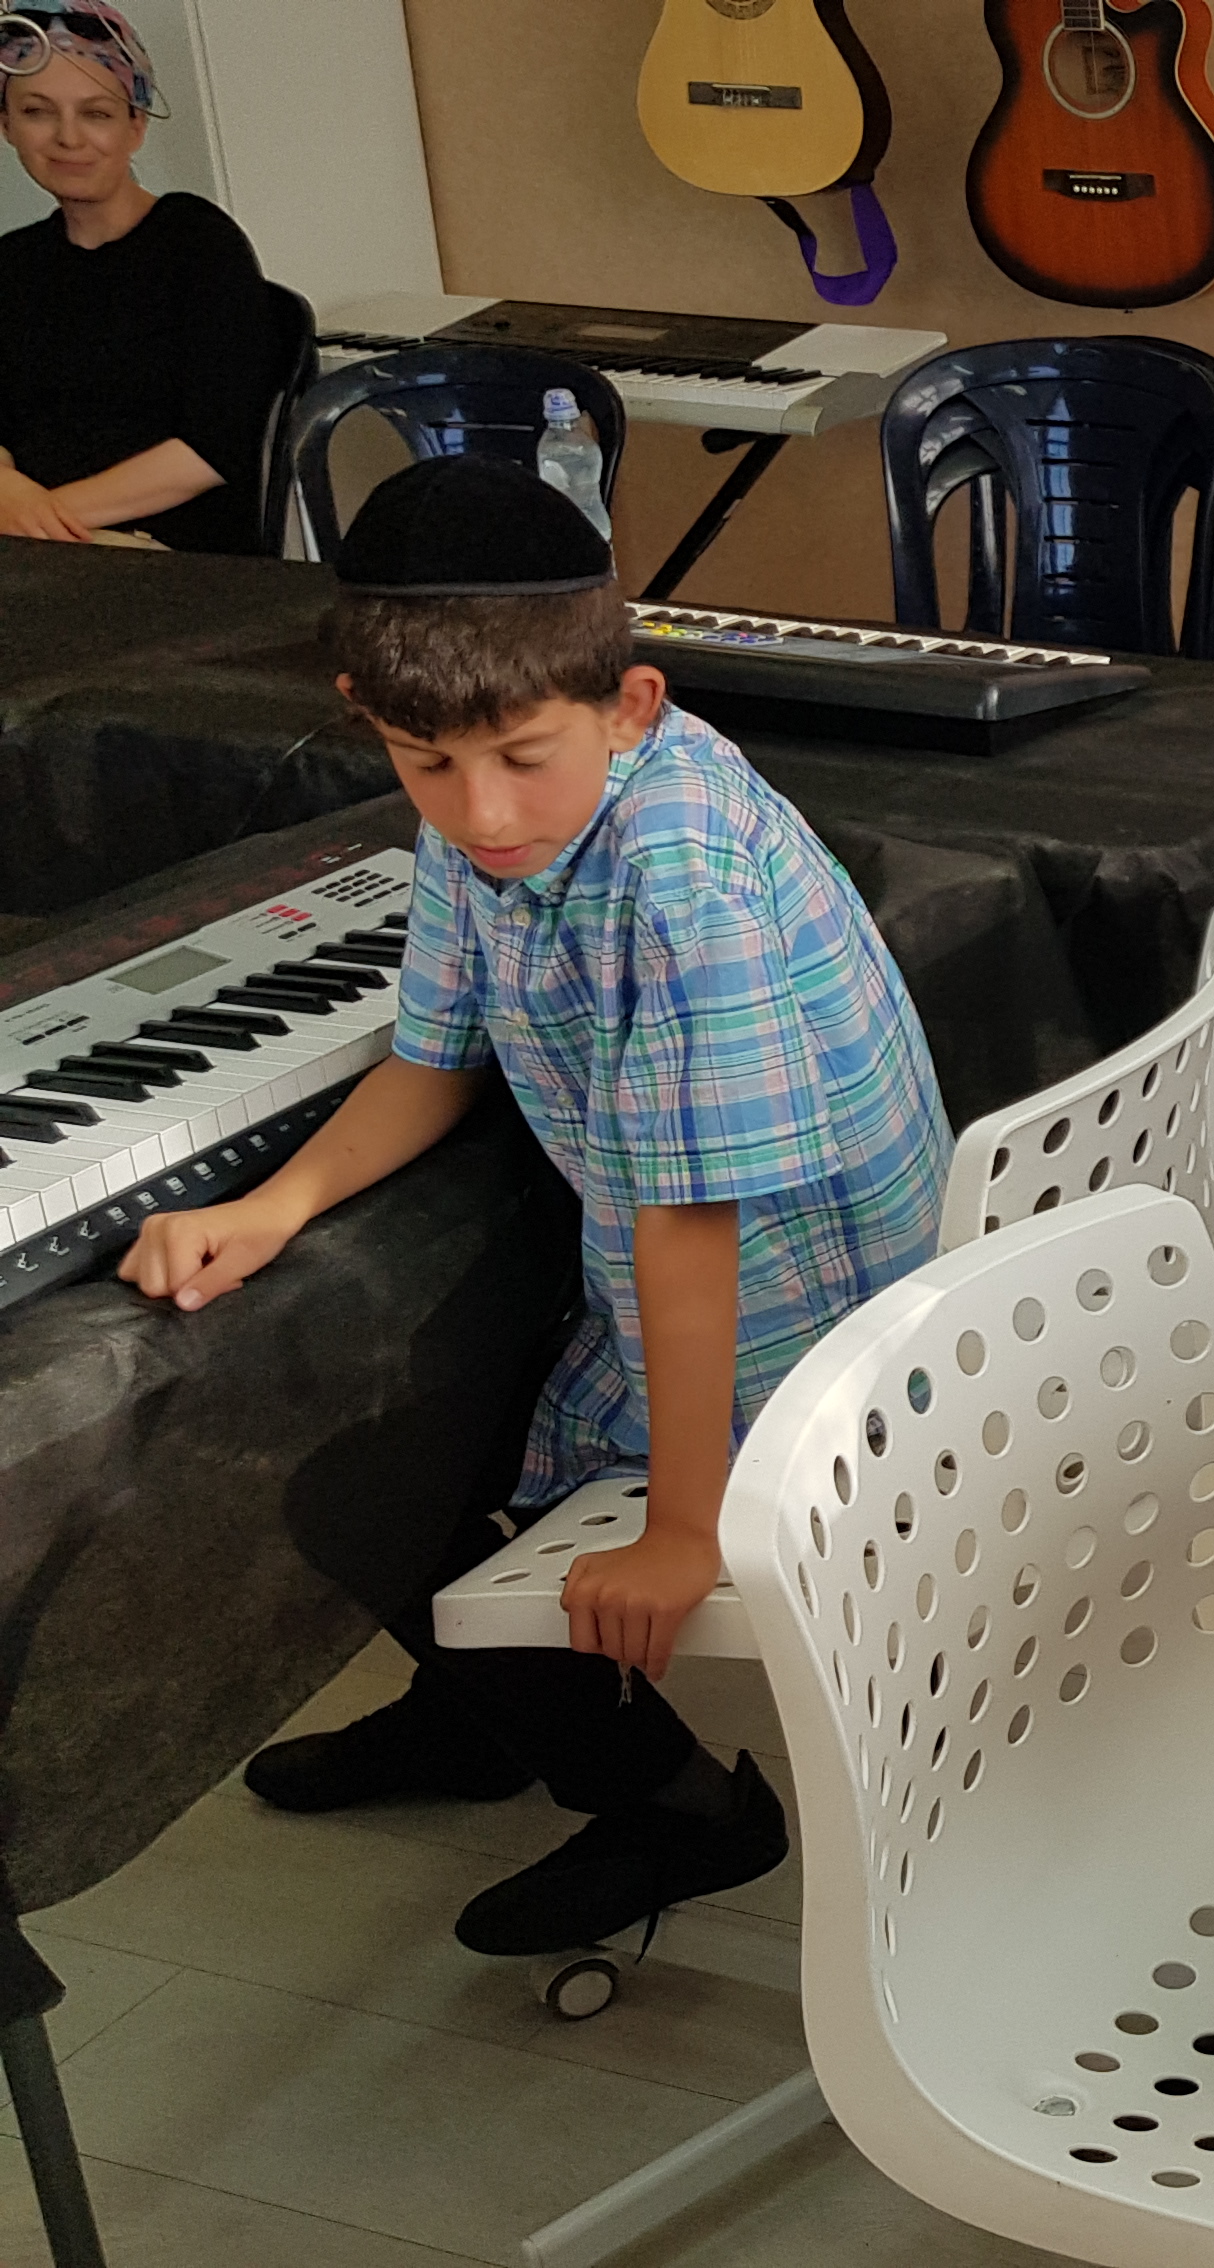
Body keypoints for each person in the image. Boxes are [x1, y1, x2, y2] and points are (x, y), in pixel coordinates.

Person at [117, 455, 950, 1955]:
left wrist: (684, 1530)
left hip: (798, 1343)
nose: (483, 809)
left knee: (364, 1463)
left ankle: (676, 1806)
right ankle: (483, 1718)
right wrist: (279, 1205)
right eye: (428, 766)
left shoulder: (681, 875)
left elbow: (695, 1227)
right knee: (373, 1396)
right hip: (682, 1282)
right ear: (371, 716)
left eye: (518, 757)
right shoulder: (496, 819)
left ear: (630, 705)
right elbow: (435, 1053)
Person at [0, 3, 278, 552]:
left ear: (137, 126)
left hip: (168, 557)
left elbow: (217, 447)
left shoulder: (198, 245)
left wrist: (40, 522)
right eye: (37, 112)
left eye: (96, 114)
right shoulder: (12, 263)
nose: (68, 137)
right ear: (6, 125)